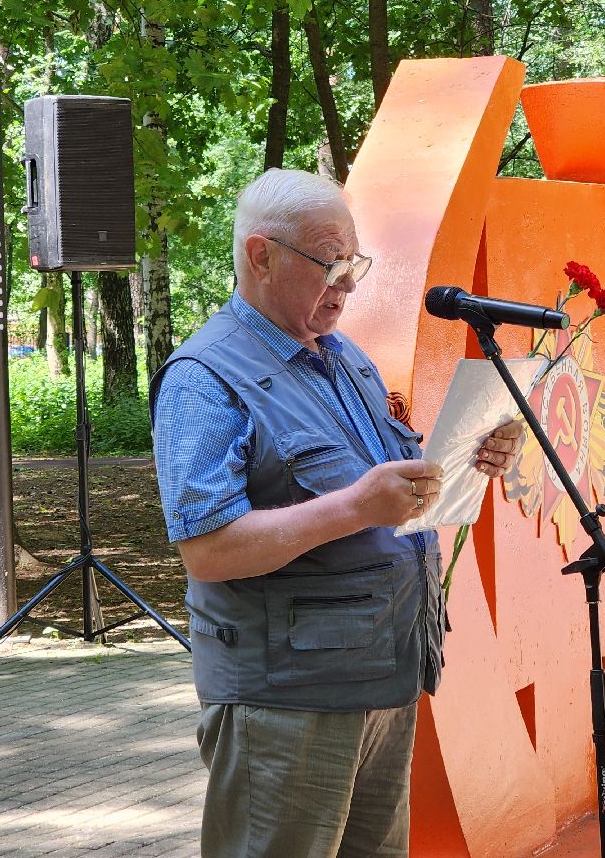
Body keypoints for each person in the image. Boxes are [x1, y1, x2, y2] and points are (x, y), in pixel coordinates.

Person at [150, 168, 523, 857]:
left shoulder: (344, 358)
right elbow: (209, 550)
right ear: (261, 256)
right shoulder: (203, 377)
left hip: (383, 672)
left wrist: (467, 456)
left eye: (355, 262)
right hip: (288, 697)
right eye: (331, 263)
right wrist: (354, 507)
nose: (349, 284)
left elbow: (382, 490)